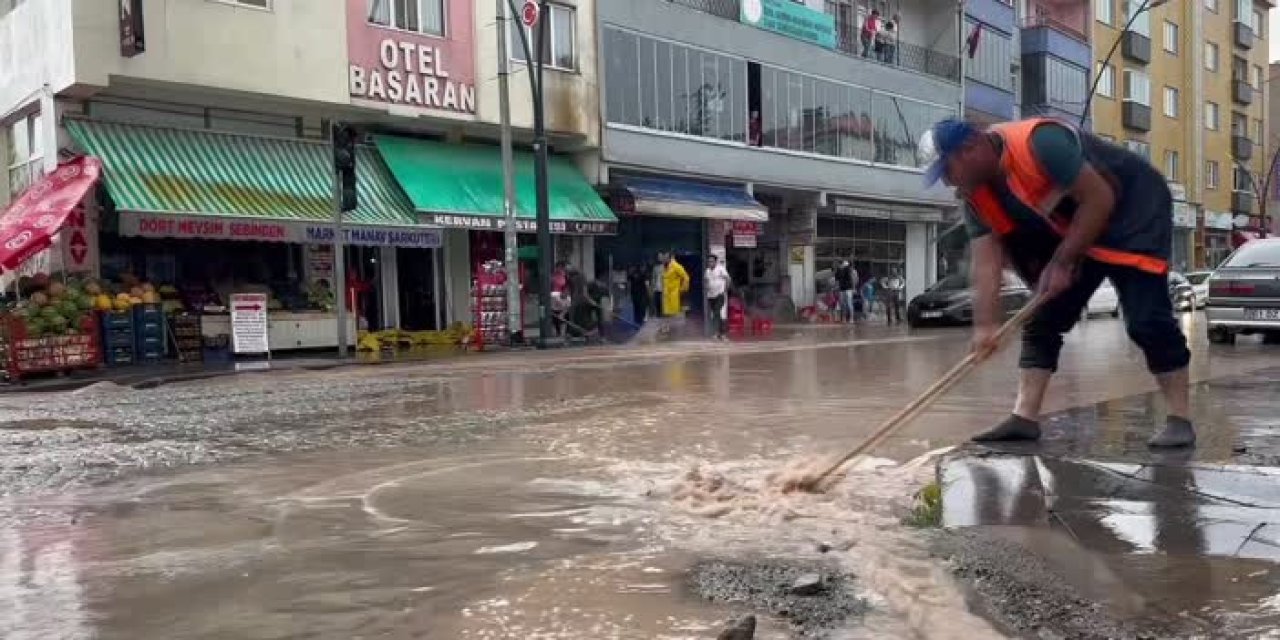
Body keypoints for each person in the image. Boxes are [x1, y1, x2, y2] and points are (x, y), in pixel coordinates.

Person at [922, 116, 1193, 448]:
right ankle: (1024, 418)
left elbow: (1100, 198)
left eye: (948, 171)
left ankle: (1180, 418)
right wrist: (985, 326)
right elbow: (986, 259)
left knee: (1146, 320)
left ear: (970, 148)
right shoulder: (975, 195)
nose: (949, 182)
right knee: (1042, 318)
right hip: (1077, 227)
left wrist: (1062, 261)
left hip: (1133, 212)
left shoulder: (1040, 143)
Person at [705, 254, 731, 340]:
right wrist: (707, 288)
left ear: (715, 262)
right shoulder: (707, 271)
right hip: (711, 296)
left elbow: (728, 279)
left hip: (720, 295)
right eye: (709, 261)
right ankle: (720, 333)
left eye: (712, 261)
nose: (710, 263)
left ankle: (719, 333)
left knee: (716, 312)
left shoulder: (720, 269)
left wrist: (725, 290)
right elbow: (706, 281)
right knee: (716, 314)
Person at [659, 250, 690, 321]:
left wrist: (682, 290)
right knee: (667, 315)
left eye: (665, 258)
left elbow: (686, 277)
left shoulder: (676, 266)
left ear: (669, 258)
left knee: (675, 316)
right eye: (662, 258)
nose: (663, 259)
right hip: (666, 294)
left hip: (674, 294)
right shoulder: (664, 267)